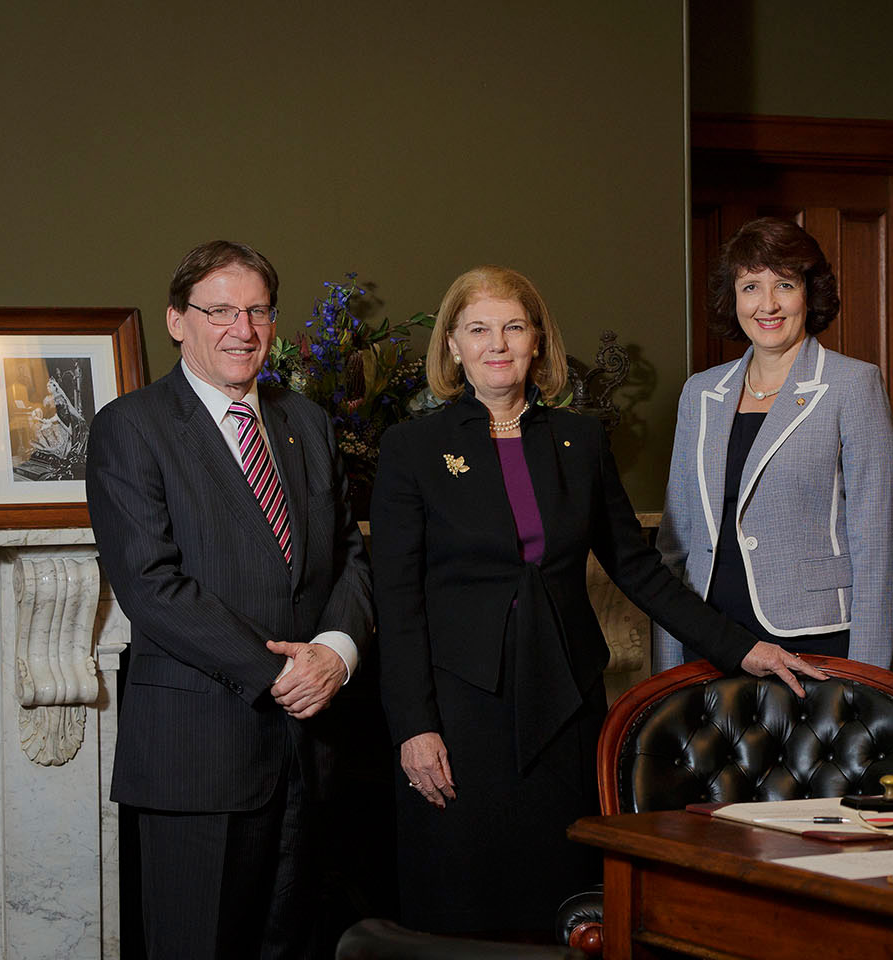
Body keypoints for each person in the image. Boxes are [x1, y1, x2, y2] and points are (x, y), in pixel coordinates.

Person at [369, 265, 824, 937]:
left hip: (566, 704)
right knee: (460, 900)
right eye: (478, 329)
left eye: (514, 327)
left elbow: (640, 571)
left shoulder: (579, 442)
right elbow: (397, 600)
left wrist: (742, 647)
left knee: (564, 899)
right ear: (453, 347)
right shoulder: (412, 447)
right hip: (460, 712)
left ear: (537, 342)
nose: (497, 344)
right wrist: (414, 725)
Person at [86, 240, 373, 959]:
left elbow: (350, 556)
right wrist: (279, 673)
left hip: (315, 751)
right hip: (199, 756)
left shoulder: (304, 422)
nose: (241, 328)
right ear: (177, 321)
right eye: (219, 310)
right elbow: (152, 587)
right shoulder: (133, 426)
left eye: (257, 310)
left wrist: (336, 654)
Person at [651, 217, 893, 673]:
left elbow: (878, 549)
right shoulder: (701, 393)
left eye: (784, 284)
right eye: (750, 287)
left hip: (813, 638)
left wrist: (871, 681)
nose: (767, 304)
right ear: (734, 298)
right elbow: (677, 543)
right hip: (708, 634)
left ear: (809, 293)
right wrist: (668, 665)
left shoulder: (852, 384)